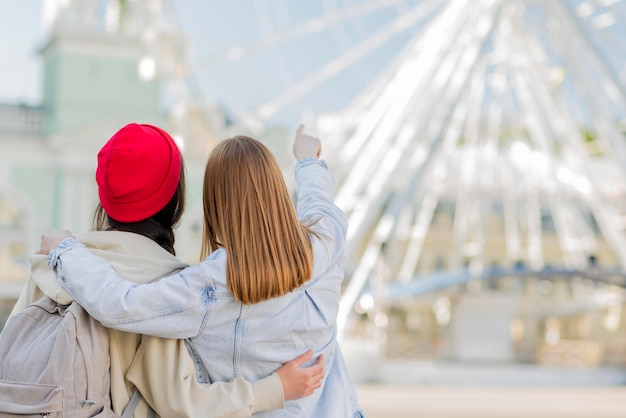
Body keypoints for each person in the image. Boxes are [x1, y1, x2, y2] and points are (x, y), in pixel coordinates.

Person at [39, 125, 364, 417]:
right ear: (277, 189)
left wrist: (65, 250)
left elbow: (121, 303)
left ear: (215, 204)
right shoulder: (326, 238)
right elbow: (318, 200)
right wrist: (308, 159)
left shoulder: (209, 284)